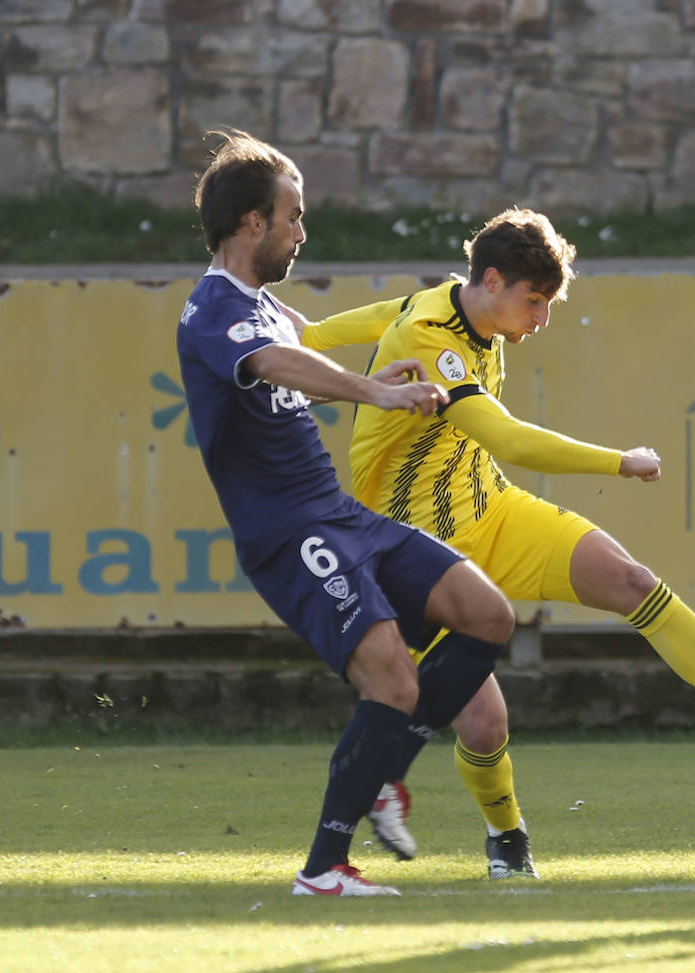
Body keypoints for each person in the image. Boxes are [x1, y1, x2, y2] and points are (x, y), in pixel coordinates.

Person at [293, 207, 695, 879]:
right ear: (493, 281)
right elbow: (512, 440)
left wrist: (317, 330)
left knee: (633, 581)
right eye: (536, 301)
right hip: (417, 551)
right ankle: (507, 837)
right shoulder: (435, 336)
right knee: (485, 725)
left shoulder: (453, 303)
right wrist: (621, 461)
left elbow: (385, 312)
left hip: (494, 512)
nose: (543, 318)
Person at [176, 130, 515, 896]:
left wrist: (373, 371)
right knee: (392, 684)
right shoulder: (210, 312)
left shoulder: (262, 306)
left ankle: (386, 777)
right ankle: (324, 869)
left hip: (338, 516)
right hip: (290, 536)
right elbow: (274, 363)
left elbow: (301, 353)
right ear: (252, 223)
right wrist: (380, 392)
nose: (302, 232)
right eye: (292, 216)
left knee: (486, 614)